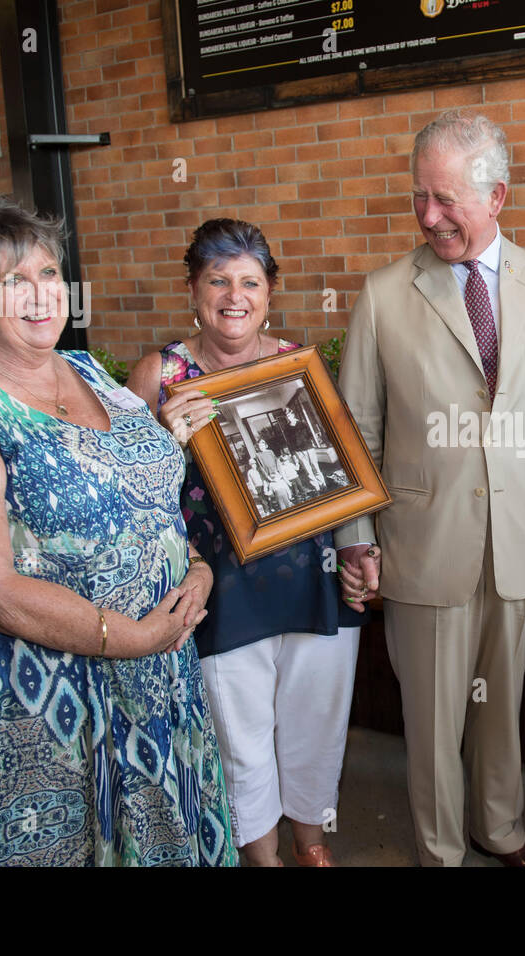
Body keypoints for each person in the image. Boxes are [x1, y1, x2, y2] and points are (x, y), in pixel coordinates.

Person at [0, 194, 235, 866]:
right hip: (41, 700)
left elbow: (134, 491)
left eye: (49, 274)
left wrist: (195, 566)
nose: (42, 294)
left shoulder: (82, 369)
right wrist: (128, 637)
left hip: (156, 674)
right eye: (12, 281)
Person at [336, 109, 525, 867]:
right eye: (420, 196)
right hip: (423, 544)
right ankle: (441, 851)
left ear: (498, 197)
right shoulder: (383, 295)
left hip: (524, 541)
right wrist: (357, 539)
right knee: (436, 717)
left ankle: (501, 827)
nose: (429, 215)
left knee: (501, 707)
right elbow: (356, 433)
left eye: (446, 198)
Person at [129, 218, 366, 867]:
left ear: (270, 290)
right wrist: (158, 435)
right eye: (218, 280)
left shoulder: (299, 365)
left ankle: (311, 843)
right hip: (217, 585)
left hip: (309, 574)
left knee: (316, 722)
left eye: (250, 281)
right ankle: (262, 858)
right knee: (240, 736)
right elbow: (119, 485)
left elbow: (340, 475)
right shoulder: (160, 373)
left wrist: (355, 550)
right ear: (193, 288)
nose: (235, 296)